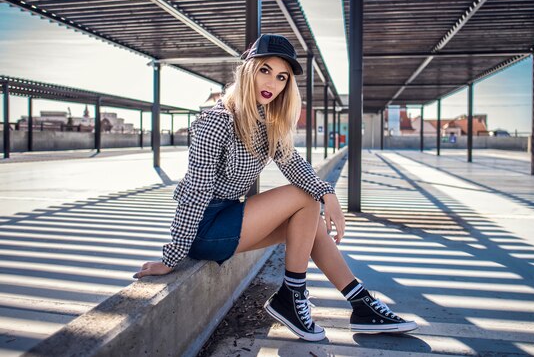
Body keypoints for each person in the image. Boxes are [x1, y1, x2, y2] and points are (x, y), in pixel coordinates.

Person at [134, 34, 417, 341]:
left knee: (309, 223)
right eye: (265, 70)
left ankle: (360, 302)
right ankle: (292, 298)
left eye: (282, 77)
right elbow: (196, 190)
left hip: (229, 216)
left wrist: (328, 193)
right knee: (304, 199)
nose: (273, 82)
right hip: (206, 227)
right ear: (248, 70)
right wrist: (171, 256)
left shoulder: (267, 120)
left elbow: (293, 163)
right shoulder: (218, 120)